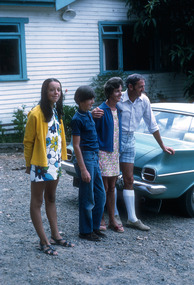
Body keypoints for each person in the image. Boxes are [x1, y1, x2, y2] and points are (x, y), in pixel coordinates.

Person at [116, 73, 175, 231]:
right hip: (114, 140)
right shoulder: (118, 98)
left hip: (129, 140)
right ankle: (113, 216)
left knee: (129, 179)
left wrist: (163, 146)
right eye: (140, 86)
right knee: (111, 179)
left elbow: (152, 124)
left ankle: (132, 219)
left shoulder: (144, 100)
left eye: (143, 86)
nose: (143, 89)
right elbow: (102, 111)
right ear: (130, 87)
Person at [23, 78, 74, 256]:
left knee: (51, 197)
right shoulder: (35, 113)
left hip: (55, 163)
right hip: (40, 163)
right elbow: (28, 142)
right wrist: (28, 164)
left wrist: (62, 158)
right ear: (45, 92)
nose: (56, 93)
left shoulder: (56, 112)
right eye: (52, 90)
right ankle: (43, 241)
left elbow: (60, 138)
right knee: (37, 202)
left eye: (58, 90)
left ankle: (55, 236)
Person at [71, 85, 106, 241]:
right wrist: (84, 169)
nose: (92, 101)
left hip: (94, 157)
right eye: (89, 99)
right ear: (79, 100)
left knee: (101, 194)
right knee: (87, 196)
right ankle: (85, 231)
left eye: (93, 98)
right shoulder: (76, 119)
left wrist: (96, 160)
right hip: (85, 158)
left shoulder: (88, 115)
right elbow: (76, 146)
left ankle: (94, 226)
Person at [94, 77, 124, 233]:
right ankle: (101, 218)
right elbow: (94, 133)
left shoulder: (118, 109)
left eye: (121, 90)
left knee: (112, 187)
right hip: (103, 152)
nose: (120, 93)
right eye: (117, 91)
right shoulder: (100, 110)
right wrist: (96, 155)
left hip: (114, 153)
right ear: (110, 92)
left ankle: (113, 219)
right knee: (103, 187)